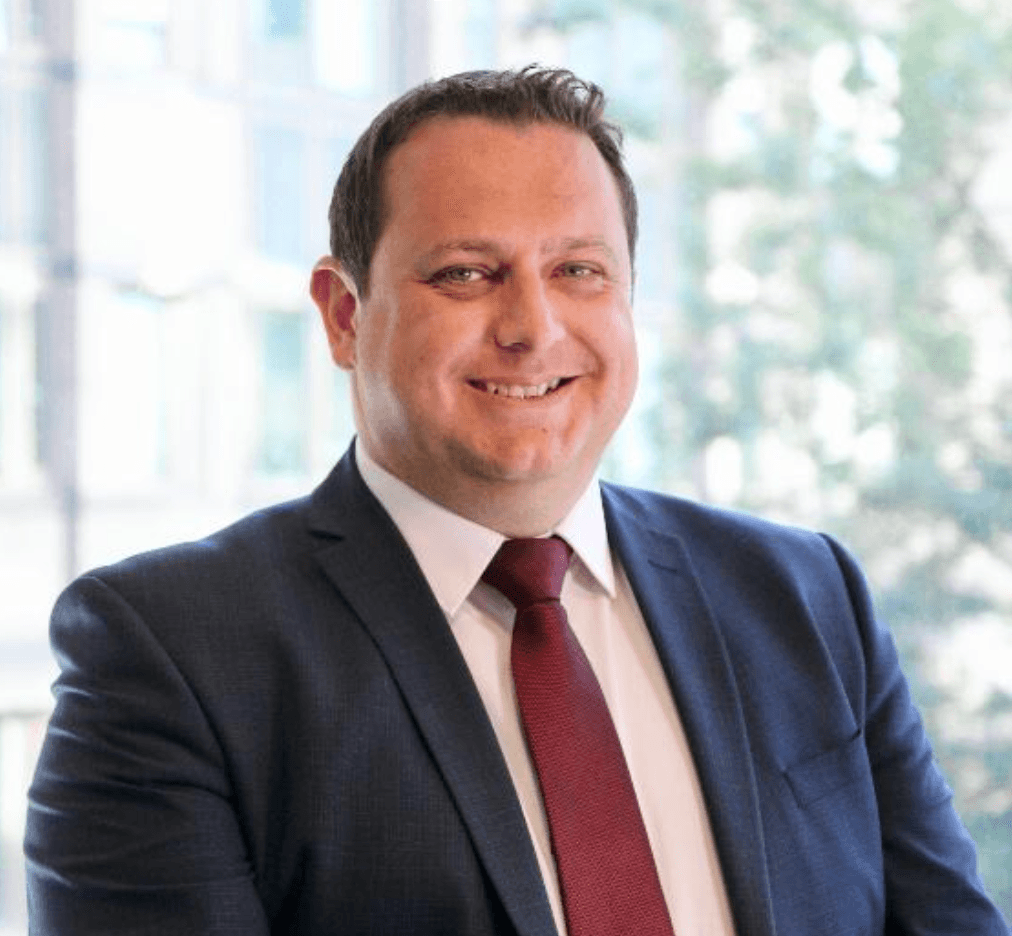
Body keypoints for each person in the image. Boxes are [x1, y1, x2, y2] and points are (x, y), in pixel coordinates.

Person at [24, 67, 1009, 936]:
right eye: (466, 274)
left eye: (578, 271)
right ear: (343, 314)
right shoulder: (169, 656)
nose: (532, 327)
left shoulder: (805, 595)